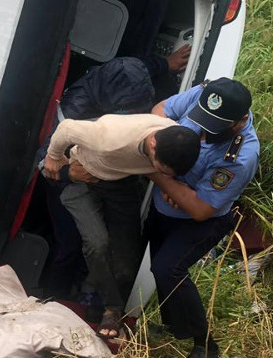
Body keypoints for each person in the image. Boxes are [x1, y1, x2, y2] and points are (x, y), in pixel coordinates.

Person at [43, 114, 201, 339]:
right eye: (162, 169)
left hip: (121, 185)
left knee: (126, 261)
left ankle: (109, 309)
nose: (164, 176)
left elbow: (166, 170)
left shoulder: (174, 135)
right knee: (97, 244)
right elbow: (67, 128)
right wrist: (53, 156)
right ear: (153, 143)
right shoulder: (109, 139)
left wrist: (174, 186)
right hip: (85, 179)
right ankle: (112, 308)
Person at [148, 77, 260, 358]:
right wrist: (171, 161)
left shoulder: (241, 155)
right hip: (166, 209)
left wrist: (158, 171)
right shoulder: (207, 96)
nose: (204, 133)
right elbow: (160, 110)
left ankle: (205, 344)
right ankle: (172, 325)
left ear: (240, 120)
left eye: (215, 127)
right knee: (158, 268)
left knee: (168, 268)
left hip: (202, 221)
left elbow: (200, 209)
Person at [36, 57, 156, 300]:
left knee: (105, 244)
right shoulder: (75, 110)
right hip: (70, 180)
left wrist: (165, 63)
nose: (133, 116)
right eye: (128, 112)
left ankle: (87, 295)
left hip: (106, 178)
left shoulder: (132, 84)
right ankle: (54, 299)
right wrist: (69, 174)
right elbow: (43, 161)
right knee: (71, 244)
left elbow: (148, 68)